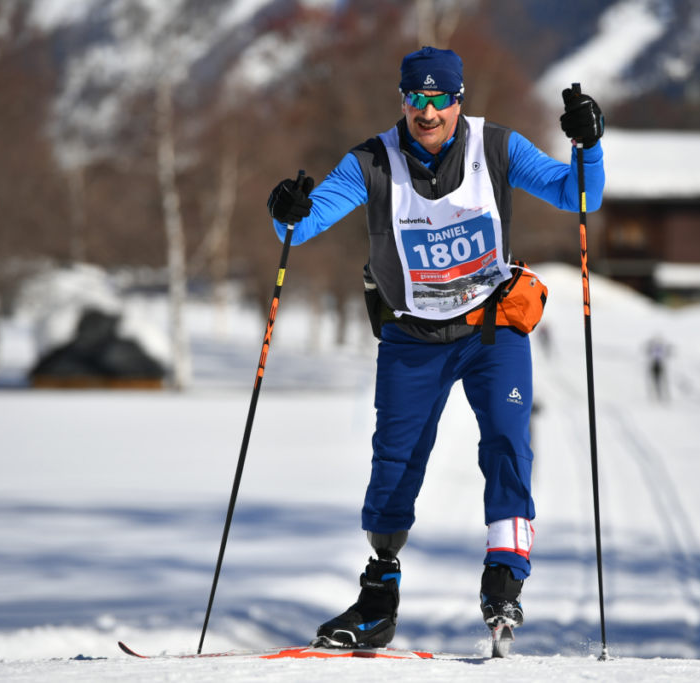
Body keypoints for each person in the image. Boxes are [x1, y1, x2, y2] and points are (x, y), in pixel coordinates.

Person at [265, 46, 605, 647]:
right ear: (403, 100)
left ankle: (504, 578)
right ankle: (377, 600)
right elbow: (305, 223)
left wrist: (588, 146)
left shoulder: (494, 147)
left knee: (506, 437)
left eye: (439, 99)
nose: (427, 112)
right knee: (394, 463)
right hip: (411, 334)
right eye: (415, 99)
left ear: (458, 101)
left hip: (489, 328)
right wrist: (285, 212)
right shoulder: (372, 160)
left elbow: (576, 194)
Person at [645, 335, 671, 402]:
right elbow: (667, 354)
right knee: (660, 380)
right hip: (658, 364)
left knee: (658, 380)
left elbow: (648, 353)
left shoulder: (653, 346)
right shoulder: (662, 346)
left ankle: (660, 395)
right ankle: (660, 395)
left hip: (656, 364)